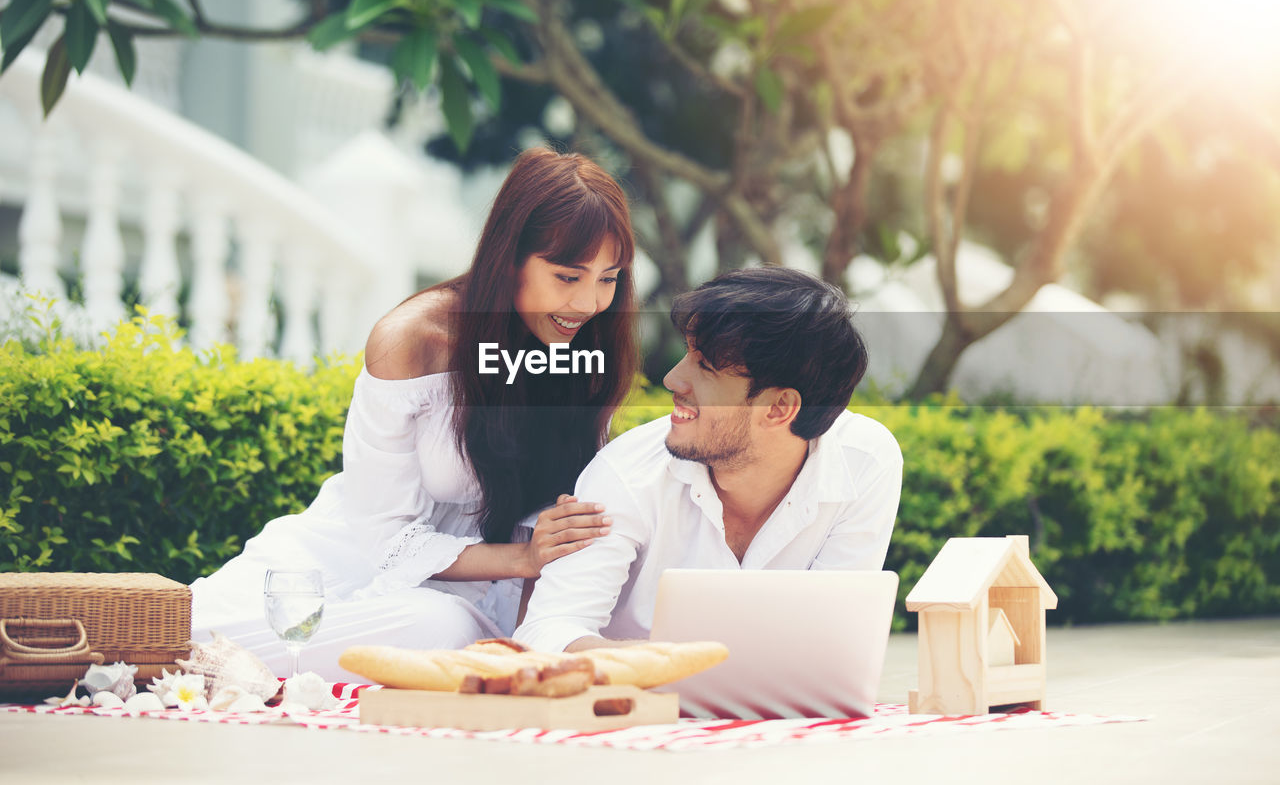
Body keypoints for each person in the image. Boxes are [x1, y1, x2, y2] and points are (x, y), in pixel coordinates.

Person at [190, 148, 638, 679]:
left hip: (475, 601)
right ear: (511, 257)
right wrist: (523, 559)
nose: (588, 304)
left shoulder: (585, 348)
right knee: (172, 637)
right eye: (568, 277)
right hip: (346, 567)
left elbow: (558, 534)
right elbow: (388, 542)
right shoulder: (413, 342)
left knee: (464, 635)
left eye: (608, 279)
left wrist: (538, 630)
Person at [513, 266, 902, 653]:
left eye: (705, 367)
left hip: (782, 708)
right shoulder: (625, 473)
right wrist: (674, 663)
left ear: (779, 408)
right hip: (641, 700)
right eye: (688, 354)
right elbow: (547, 630)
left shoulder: (864, 463)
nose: (672, 380)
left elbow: (831, 638)